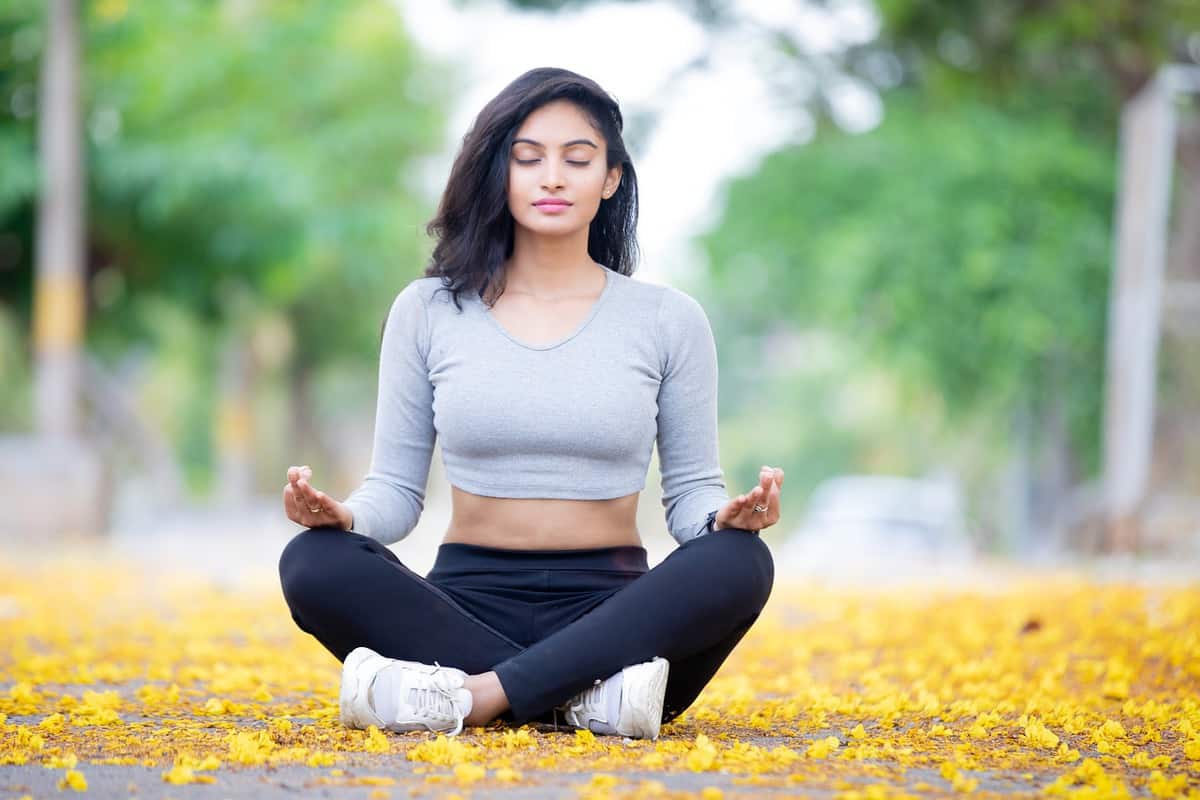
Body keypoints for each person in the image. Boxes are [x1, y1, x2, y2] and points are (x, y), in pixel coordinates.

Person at [278, 67, 782, 741]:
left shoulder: (668, 319)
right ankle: (584, 701)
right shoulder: (428, 310)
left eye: (577, 159)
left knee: (740, 562)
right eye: (528, 158)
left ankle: (468, 696)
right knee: (313, 560)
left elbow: (691, 498)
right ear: (499, 171)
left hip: (616, 615)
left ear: (611, 179)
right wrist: (347, 515)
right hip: (462, 607)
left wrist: (725, 518)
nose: (552, 178)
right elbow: (395, 491)